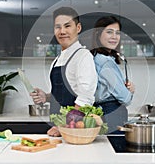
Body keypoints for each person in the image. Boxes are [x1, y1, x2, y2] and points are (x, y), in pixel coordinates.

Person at [30, 7, 98, 136]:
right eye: (58, 27)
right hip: (57, 126)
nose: (62, 31)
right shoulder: (57, 59)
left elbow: (86, 96)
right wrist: (46, 97)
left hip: (73, 130)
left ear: (78, 28)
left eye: (67, 26)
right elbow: (64, 92)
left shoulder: (83, 56)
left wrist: (67, 125)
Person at [90, 16, 135, 134]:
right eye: (109, 32)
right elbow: (125, 98)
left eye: (117, 33)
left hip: (104, 113)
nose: (114, 37)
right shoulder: (106, 62)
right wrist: (130, 92)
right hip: (112, 114)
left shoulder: (96, 57)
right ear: (98, 35)